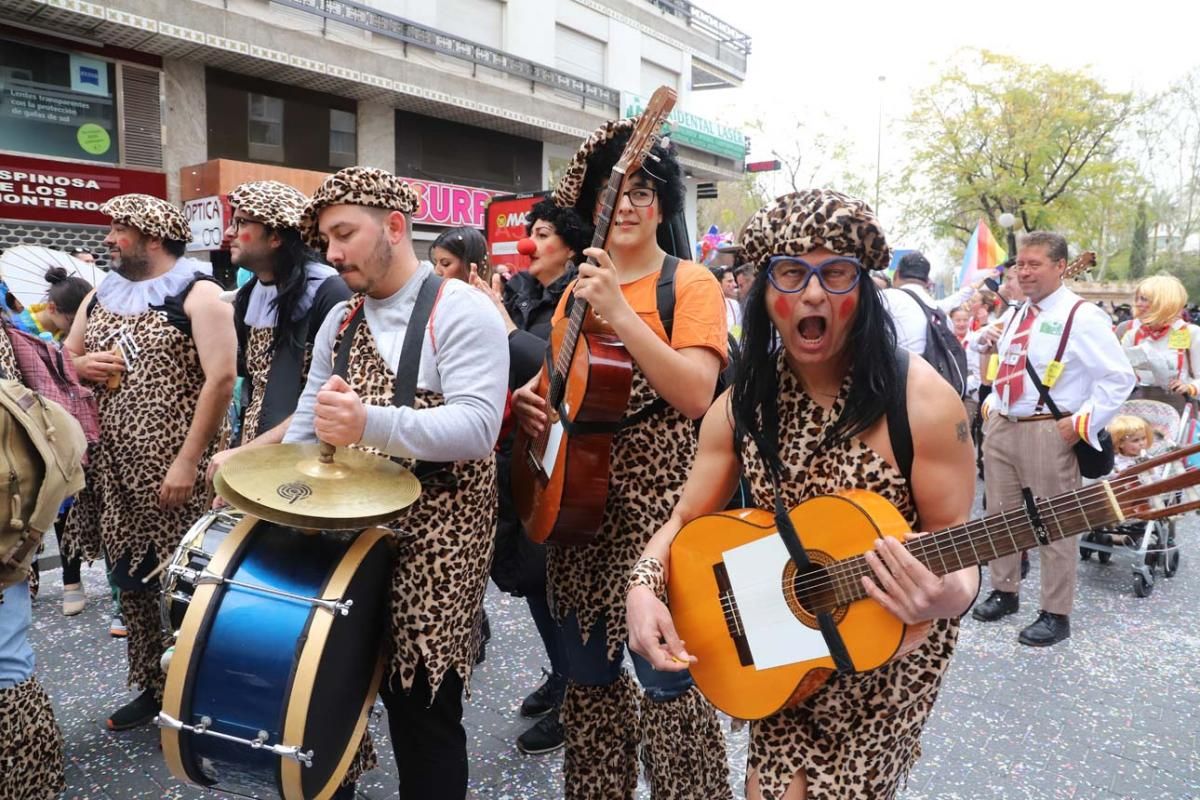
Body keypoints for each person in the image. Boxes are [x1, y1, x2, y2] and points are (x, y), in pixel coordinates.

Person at [626, 189, 979, 799]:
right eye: (792, 273)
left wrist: (943, 594)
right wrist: (642, 585)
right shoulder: (742, 406)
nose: (813, 294)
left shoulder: (921, 405)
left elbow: (962, 550)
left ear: (862, 291)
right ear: (765, 293)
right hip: (778, 642)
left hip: (886, 664)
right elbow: (686, 515)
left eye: (835, 273)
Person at [511, 119, 731, 799]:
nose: (629, 205)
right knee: (589, 687)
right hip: (580, 516)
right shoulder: (574, 291)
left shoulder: (689, 284)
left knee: (670, 687)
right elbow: (561, 384)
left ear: (663, 203)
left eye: (643, 190)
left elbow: (698, 394)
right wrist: (532, 400)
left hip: (662, 514)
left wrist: (622, 314)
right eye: (616, 193)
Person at [287, 167, 507, 800]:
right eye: (325, 239)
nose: (331, 253)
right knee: (330, 688)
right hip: (351, 527)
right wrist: (272, 491)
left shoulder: (461, 308)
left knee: (422, 707)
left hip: (440, 535)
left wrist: (368, 421)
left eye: (344, 233)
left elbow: (476, 428)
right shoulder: (341, 320)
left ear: (395, 226)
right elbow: (310, 416)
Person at [62, 193, 236, 729]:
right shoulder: (100, 295)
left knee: (189, 588)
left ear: (151, 238)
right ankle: (152, 686)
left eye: (119, 229)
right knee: (132, 586)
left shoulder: (198, 293)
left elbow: (223, 379)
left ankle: (199, 693)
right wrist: (83, 364)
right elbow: (66, 357)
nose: (110, 238)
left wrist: (186, 462)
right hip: (114, 472)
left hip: (175, 472)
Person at [971, 232, 1135, 646]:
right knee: (1000, 515)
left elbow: (1118, 378)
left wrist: (1082, 422)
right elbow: (980, 346)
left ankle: (1055, 612)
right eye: (1020, 264)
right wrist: (993, 401)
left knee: (1056, 522)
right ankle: (1004, 591)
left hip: (1049, 429)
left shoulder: (1082, 316)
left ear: (1060, 267)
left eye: (1034, 264)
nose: (1024, 272)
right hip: (1004, 426)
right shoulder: (1015, 314)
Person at [472, 198, 590, 755]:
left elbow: (556, 365)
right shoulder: (521, 296)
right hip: (518, 453)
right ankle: (561, 671)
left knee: (549, 576)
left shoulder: (577, 299)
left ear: (569, 246)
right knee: (528, 577)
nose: (531, 244)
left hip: (562, 461)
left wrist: (500, 323)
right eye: (530, 233)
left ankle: (574, 689)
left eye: (543, 234)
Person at [206, 180, 349, 479]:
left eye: (242, 222)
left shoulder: (329, 293)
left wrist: (249, 451)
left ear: (274, 236)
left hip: (312, 464)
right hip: (256, 453)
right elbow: (253, 389)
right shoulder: (247, 297)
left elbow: (328, 400)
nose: (230, 233)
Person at [1119, 274, 1200, 412]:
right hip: (1139, 408)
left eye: (1144, 299)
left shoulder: (1191, 333)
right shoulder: (1132, 335)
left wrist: (1189, 387)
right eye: (1137, 298)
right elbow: (1119, 374)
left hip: (1180, 409)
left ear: (1165, 302)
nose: (1138, 304)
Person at [10, 267, 91, 344]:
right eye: (72, 322)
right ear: (51, 308)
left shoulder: (63, 331)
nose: (78, 326)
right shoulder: (15, 329)